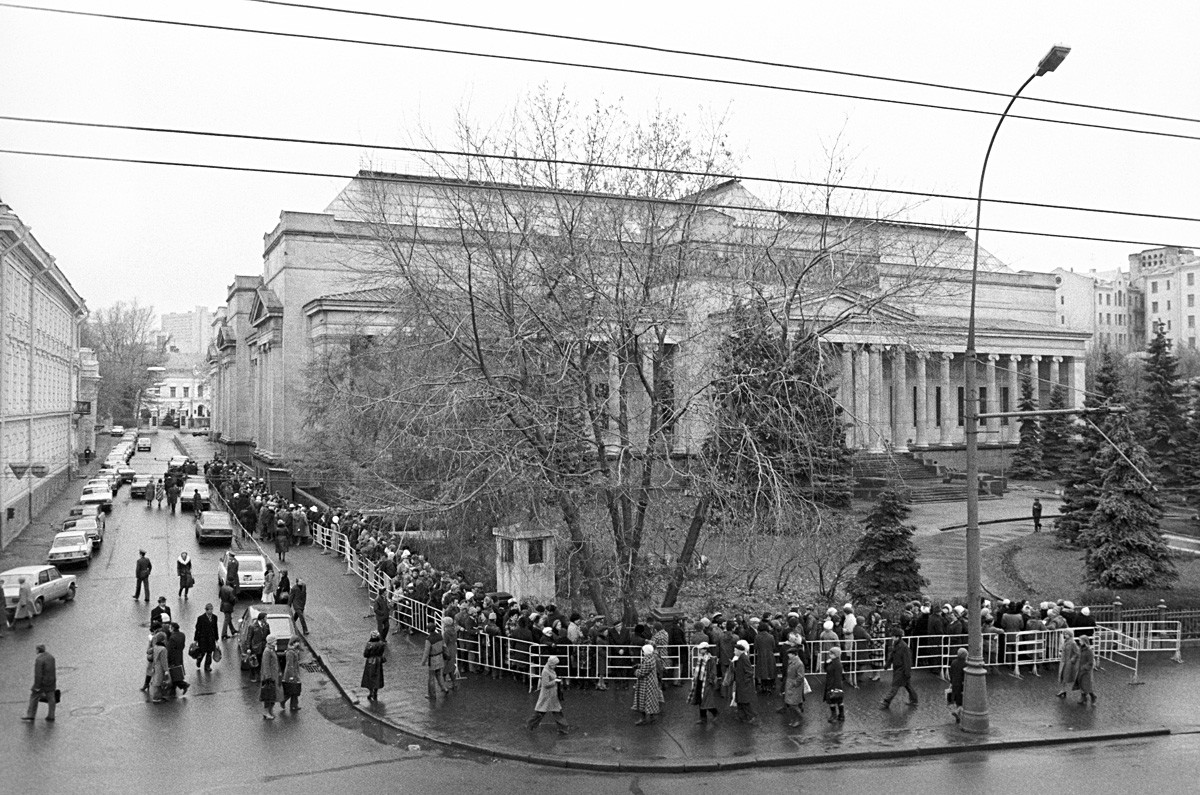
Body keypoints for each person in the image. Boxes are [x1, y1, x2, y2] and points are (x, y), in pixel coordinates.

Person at [526, 655, 570, 734]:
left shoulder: (548, 669)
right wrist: (555, 681)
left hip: (550, 695)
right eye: (555, 664)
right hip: (548, 695)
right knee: (554, 712)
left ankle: (530, 725)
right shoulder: (546, 671)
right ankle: (563, 728)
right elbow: (545, 684)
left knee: (542, 711)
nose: (556, 666)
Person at [879, 627, 918, 709]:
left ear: (897, 637)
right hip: (900, 670)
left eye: (893, 636)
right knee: (908, 686)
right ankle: (914, 700)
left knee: (895, 687)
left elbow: (907, 661)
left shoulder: (903, 647)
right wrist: (887, 665)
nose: (891, 637)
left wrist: (907, 672)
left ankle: (886, 702)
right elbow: (892, 656)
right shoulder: (898, 644)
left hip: (901, 670)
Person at [22, 644, 56, 722]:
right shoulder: (51, 657)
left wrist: (36, 686)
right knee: (51, 698)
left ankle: (31, 715)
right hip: (51, 681)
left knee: (34, 696)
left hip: (42, 683)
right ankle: (51, 715)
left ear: (38, 650)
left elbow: (38, 674)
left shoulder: (39, 660)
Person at [689, 641, 720, 725]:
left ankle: (714, 713)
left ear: (705, 649)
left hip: (705, 682)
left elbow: (713, 671)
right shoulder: (702, 657)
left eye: (701, 649)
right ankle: (703, 718)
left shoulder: (710, 659)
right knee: (700, 699)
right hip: (700, 680)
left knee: (705, 700)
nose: (699, 650)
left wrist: (711, 680)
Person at [632, 643, 664, 725]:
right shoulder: (652, 658)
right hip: (652, 682)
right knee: (651, 700)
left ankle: (643, 719)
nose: (643, 653)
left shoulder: (647, 660)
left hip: (645, 683)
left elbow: (642, 672)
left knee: (642, 700)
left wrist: (636, 671)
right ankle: (652, 717)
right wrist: (640, 666)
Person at [731, 639, 757, 724]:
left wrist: (744, 681)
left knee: (745, 702)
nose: (734, 652)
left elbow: (749, 672)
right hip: (741, 683)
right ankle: (741, 716)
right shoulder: (741, 658)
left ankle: (751, 717)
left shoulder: (744, 658)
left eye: (735, 650)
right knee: (740, 701)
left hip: (743, 684)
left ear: (739, 651)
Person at [783, 645, 807, 727]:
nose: (788, 655)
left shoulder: (799, 663)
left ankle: (799, 719)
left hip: (794, 686)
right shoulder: (792, 661)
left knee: (793, 704)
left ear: (794, 654)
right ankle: (794, 719)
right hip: (790, 684)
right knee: (790, 704)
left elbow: (800, 676)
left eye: (789, 654)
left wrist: (795, 684)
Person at [420, 628, 447, 701]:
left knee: (431, 678)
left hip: (433, 659)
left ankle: (432, 695)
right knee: (439, 674)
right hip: (440, 657)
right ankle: (444, 688)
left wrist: (423, 662)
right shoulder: (440, 636)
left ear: (428, 630)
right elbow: (444, 646)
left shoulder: (429, 639)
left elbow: (426, 651)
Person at [259, 634, 281, 719]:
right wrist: (268, 677)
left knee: (272, 695)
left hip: (273, 675)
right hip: (269, 677)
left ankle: (269, 711)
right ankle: (266, 712)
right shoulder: (267, 651)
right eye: (275, 641)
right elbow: (266, 665)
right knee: (268, 695)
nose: (276, 642)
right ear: (271, 642)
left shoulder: (271, 650)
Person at [362, 630, 387, 702]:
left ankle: (370, 692)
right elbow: (382, 652)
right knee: (377, 677)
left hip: (370, 661)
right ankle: (375, 692)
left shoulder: (369, 644)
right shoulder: (381, 644)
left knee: (369, 677)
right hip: (378, 661)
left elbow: (365, 654)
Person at [167, 622, 190, 697]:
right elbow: (183, 645)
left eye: (170, 627)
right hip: (180, 655)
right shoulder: (182, 635)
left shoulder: (172, 638)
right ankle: (173, 690)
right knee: (177, 672)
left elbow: (170, 650)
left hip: (173, 658)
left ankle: (183, 685)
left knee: (173, 673)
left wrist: (168, 660)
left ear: (173, 628)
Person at [824, 646, 846, 723]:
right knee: (839, 700)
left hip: (833, 684)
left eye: (831, 653)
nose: (829, 654)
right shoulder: (833, 662)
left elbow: (838, 676)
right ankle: (841, 715)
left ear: (835, 654)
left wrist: (835, 687)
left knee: (832, 700)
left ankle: (834, 715)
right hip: (833, 683)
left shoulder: (836, 663)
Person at [194, 603, 219, 671]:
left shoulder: (214, 617)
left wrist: (216, 638)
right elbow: (198, 629)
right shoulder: (201, 618)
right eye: (209, 610)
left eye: (211, 609)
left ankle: (207, 666)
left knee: (209, 652)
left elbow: (215, 628)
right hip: (203, 638)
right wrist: (196, 639)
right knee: (202, 652)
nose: (210, 611)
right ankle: (199, 660)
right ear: (206, 610)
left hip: (211, 638)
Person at [280, 638, 303, 712]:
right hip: (291, 674)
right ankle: (283, 701)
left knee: (295, 690)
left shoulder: (294, 650)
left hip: (295, 672)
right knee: (291, 690)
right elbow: (290, 665)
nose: (298, 643)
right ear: (293, 643)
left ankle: (294, 705)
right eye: (297, 642)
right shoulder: (290, 652)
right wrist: (291, 676)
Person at [1056, 629, 1079, 698]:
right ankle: (1063, 690)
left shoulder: (1073, 643)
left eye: (1066, 634)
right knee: (1063, 676)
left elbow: (1077, 652)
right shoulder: (1066, 642)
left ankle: (1064, 690)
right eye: (1064, 634)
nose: (1065, 635)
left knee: (1066, 676)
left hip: (1068, 662)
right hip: (1063, 661)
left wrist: (1072, 659)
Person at [1074, 636, 1096, 704]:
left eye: (1080, 640)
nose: (1079, 642)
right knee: (1081, 683)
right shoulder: (1080, 649)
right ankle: (1083, 697)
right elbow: (1078, 656)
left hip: (1086, 671)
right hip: (1080, 669)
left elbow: (1090, 662)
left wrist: (1084, 667)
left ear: (1084, 641)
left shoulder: (1089, 651)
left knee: (1086, 685)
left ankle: (1092, 696)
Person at [149, 632, 170, 703]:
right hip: (160, 668)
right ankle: (156, 698)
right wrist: (166, 670)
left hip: (155, 666)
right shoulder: (163, 649)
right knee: (159, 682)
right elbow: (164, 661)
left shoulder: (155, 647)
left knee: (156, 681)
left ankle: (158, 697)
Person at [948, 647, 968, 722]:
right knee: (963, 702)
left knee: (957, 700)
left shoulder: (953, 662)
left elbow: (951, 673)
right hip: (962, 685)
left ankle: (958, 718)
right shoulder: (965, 664)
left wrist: (951, 682)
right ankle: (957, 712)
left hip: (954, 684)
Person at [247, 613, 268, 683]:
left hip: (263, 647)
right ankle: (253, 676)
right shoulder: (252, 626)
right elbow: (249, 637)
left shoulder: (266, 625)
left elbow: (268, 636)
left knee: (262, 662)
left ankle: (260, 676)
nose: (266, 619)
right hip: (255, 648)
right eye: (265, 618)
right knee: (254, 663)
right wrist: (248, 648)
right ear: (262, 619)